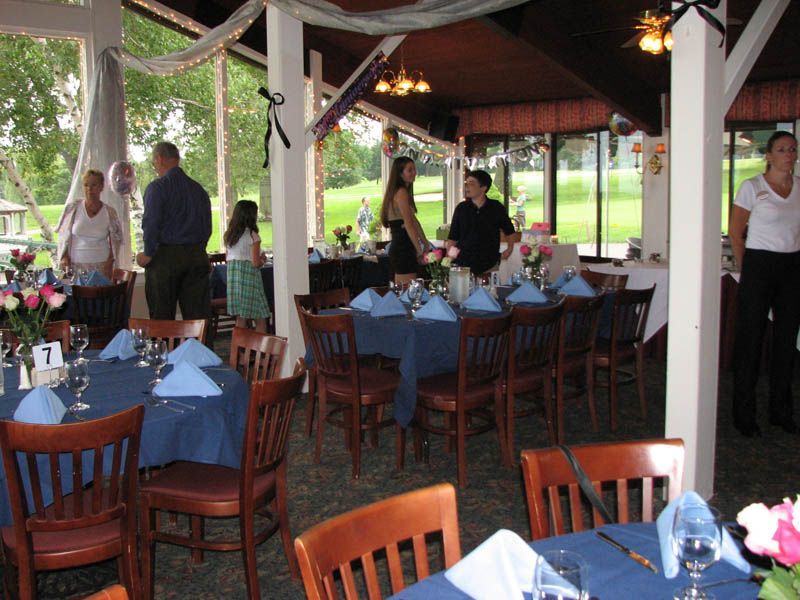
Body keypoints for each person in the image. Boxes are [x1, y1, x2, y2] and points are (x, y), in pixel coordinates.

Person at [729, 130, 800, 437]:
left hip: (792, 266)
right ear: (769, 155)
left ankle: (780, 411)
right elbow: (735, 232)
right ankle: (744, 414)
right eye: (783, 149)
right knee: (751, 342)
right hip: (758, 264)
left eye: (793, 149)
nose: (789, 154)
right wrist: (747, 269)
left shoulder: (799, 188)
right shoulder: (752, 187)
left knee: (786, 342)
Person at [136, 142, 212, 320]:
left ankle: (164, 347)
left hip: (165, 258)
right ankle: (200, 347)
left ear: (159, 159)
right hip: (196, 256)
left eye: (154, 162)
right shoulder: (198, 190)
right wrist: (197, 249)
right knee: (198, 320)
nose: (154, 166)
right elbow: (207, 227)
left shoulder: (158, 188)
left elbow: (151, 223)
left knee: (162, 319)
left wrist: (148, 253)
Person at [446, 170, 520, 275]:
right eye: (466, 183)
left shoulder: (496, 207)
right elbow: (453, 237)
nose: (467, 187)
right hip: (463, 262)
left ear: (483, 187)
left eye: (471, 184)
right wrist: (449, 258)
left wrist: (510, 248)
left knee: (487, 290)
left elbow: (509, 231)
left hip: (489, 262)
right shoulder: (461, 208)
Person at [56, 169, 124, 279]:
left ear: (101, 187)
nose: (89, 189)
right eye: (86, 185)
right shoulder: (73, 208)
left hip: (102, 267)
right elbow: (63, 236)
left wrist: (110, 262)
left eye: (93, 185)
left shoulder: (110, 212)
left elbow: (116, 241)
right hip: (75, 267)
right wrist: (64, 257)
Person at [379, 157, 430, 284]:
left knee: (405, 290)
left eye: (414, 169)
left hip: (403, 246)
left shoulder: (402, 192)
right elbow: (409, 224)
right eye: (410, 170)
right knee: (408, 292)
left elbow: (414, 221)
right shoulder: (401, 192)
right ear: (400, 173)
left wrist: (425, 242)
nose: (414, 173)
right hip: (403, 247)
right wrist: (419, 250)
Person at [223, 200, 270, 332]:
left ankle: (239, 350)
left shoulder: (230, 236)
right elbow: (255, 263)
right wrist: (263, 260)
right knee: (260, 317)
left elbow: (231, 258)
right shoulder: (252, 236)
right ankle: (261, 350)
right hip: (250, 281)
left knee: (241, 318)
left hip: (235, 281)